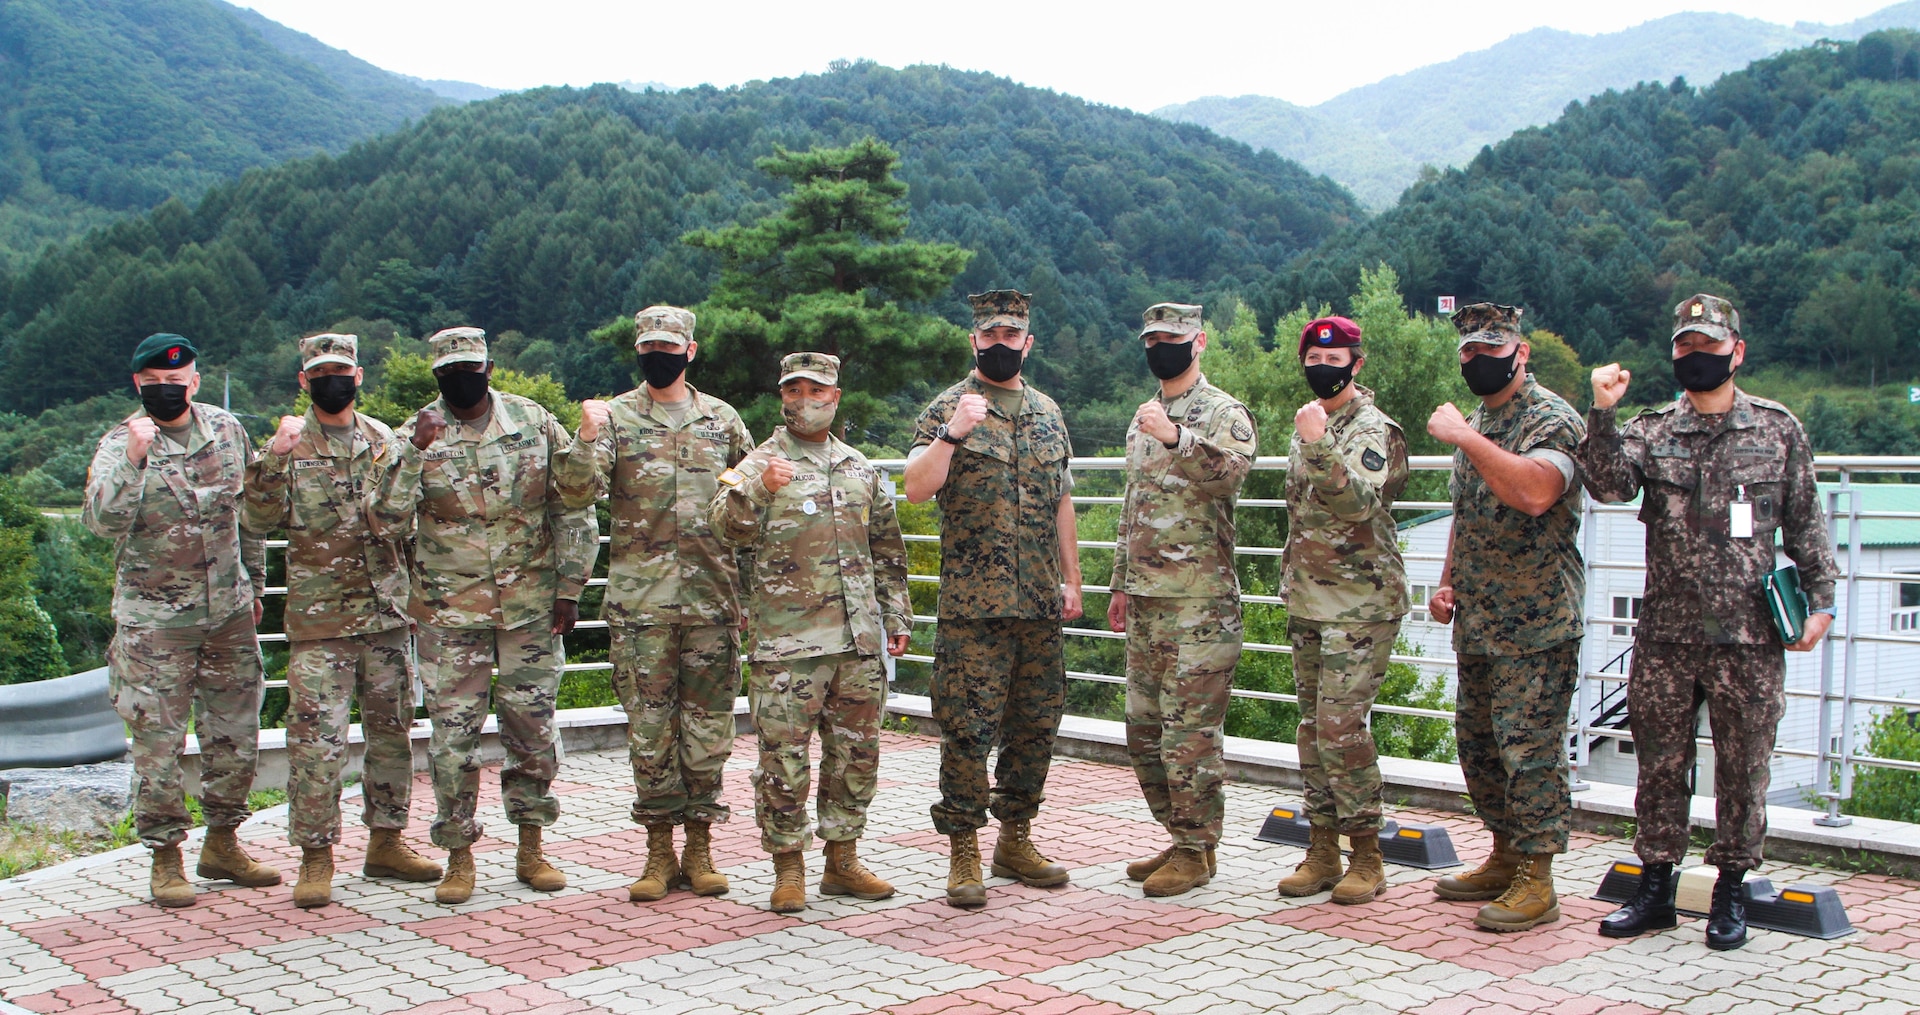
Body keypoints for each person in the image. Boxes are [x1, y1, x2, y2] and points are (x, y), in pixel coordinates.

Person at [1578, 293, 1838, 951]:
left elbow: (1807, 521)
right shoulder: (1653, 427)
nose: (1697, 357)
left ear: (1737, 351)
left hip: (1747, 637)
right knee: (1660, 766)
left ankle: (1730, 890)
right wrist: (1603, 412)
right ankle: (1656, 886)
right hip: (1665, 634)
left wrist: (1823, 600)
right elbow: (1607, 484)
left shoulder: (1778, 430)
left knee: (1743, 768)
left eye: (1709, 346)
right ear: (1674, 354)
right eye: (1686, 347)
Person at [368, 326, 598, 905]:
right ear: (437, 377)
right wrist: (411, 454)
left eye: (469, 367)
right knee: (453, 740)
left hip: (529, 608)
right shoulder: (414, 435)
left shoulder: (533, 421)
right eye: (448, 372)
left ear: (490, 367)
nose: (460, 380)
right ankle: (459, 854)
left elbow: (573, 504)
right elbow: (385, 523)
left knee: (533, 730)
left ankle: (531, 844)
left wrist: (570, 587)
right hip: (450, 614)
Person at [554, 305, 753, 903]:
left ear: (691, 351)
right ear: (637, 351)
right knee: (648, 729)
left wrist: (750, 593)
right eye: (648, 346)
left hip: (713, 603)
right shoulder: (613, 416)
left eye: (669, 346)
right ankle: (659, 849)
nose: (657, 355)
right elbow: (574, 492)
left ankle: (700, 845)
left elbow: (749, 512)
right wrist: (585, 436)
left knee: (709, 728)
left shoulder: (723, 420)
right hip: (641, 604)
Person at [241, 333, 441, 909]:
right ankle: (316, 855)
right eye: (319, 371)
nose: (332, 379)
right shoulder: (287, 444)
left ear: (358, 377)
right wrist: (273, 458)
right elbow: (256, 519)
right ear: (304, 381)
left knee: (392, 737)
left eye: (342, 370)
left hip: (385, 616)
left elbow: (402, 521)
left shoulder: (386, 440)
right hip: (319, 622)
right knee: (316, 744)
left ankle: (386, 842)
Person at [708, 352, 912, 913]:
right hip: (788, 646)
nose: (805, 400)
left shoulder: (859, 467)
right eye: (793, 390)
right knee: (783, 761)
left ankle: (842, 861)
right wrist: (758, 491)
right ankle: (788, 867)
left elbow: (888, 552)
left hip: (857, 642)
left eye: (816, 389)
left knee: (856, 755)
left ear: (835, 396)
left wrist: (895, 618)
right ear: (781, 396)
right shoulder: (759, 462)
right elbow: (721, 527)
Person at [83, 332, 279, 907]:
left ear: (194, 381)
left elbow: (249, 514)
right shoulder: (120, 443)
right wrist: (137, 457)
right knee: (158, 742)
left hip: (229, 615)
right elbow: (101, 521)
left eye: (178, 382)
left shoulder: (226, 429)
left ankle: (223, 842)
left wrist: (256, 583)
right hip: (154, 623)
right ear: (138, 386)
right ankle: (166, 856)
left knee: (235, 735)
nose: (168, 391)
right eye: (154, 385)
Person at [904, 288, 1082, 908]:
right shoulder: (944, 410)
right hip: (973, 607)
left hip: (1037, 602)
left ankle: (1015, 838)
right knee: (967, 730)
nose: (1001, 345)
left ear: (1027, 343)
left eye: (1012, 336)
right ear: (973, 341)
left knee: (1035, 726)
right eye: (990, 336)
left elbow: (1062, 500)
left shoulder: (1049, 413)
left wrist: (1073, 579)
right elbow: (916, 490)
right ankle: (963, 852)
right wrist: (953, 434)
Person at [1424, 303, 1586, 932]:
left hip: (1538, 621)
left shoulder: (1552, 420)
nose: (1477, 361)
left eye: (1490, 351)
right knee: (1481, 745)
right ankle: (1504, 853)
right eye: (1467, 352)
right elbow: (1465, 514)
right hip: (1482, 617)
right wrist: (1446, 580)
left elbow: (1535, 491)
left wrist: (1467, 438)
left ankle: (1538, 878)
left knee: (1531, 749)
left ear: (1521, 355)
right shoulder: (1479, 417)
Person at [1107, 302, 1255, 898]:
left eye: (1173, 337)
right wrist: (1119, 582)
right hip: (1146, 599)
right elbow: (1132, 504)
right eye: (1152, 339)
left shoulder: (1222, 412)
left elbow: (1232, 475)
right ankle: (1181, 835)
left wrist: (1179, 438)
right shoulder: (1143, 416)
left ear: (1199, 343)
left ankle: (1196, 850)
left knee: (1188, 732)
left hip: (1200, 601)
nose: (1161, 347)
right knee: (1143, 730)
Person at [1273, 316, 1410, 905]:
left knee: (1341, 726)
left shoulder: (1373, 430)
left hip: (1361, 603)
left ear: (1357, 365)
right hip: (1308, 599)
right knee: (1313, 729)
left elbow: (1357, 503)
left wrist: (1319, 443)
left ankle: (1367, 854)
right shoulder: (1312, 424)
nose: (1323, 368)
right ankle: (1322, 847)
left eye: (1337, 360)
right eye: (1315, 359)